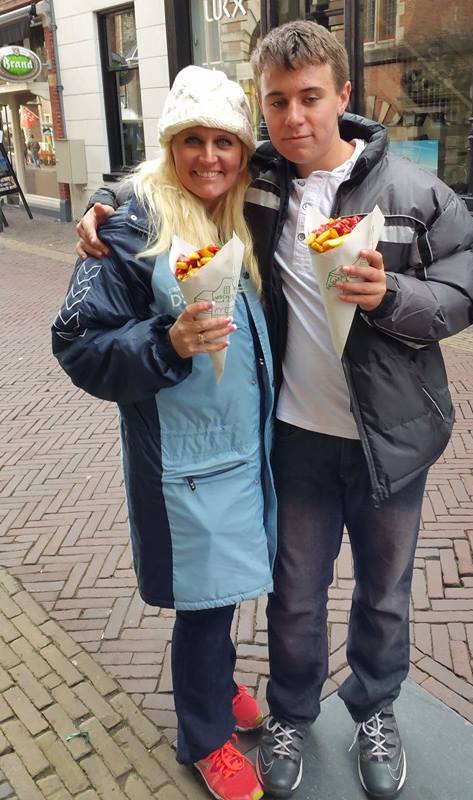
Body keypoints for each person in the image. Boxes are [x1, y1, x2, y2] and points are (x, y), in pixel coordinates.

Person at [76, 21, 473, 800]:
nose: (295, 117)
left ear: (344, 96)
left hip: (391, 439)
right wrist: (104, 199)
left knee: (384, 592)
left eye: (310, 98)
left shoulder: (416, 192)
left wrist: (392, 295)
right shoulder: (261, 181)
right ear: (263, 109)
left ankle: (374, 709)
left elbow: (461, 294)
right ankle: (292, 713)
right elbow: (177, 171)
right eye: (278, 102)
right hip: (293, 440)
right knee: (294, 595)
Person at [52, 65, 277, 800]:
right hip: (185, 464)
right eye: (192, 141)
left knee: (225, 593)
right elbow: (78, 344)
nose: (209, 157)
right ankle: (203, 737)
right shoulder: (128, 229)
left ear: (243, 152)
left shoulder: (237, 209)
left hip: (245, 452)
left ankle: (216, 682)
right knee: (204, 605)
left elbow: (322, 151)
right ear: (169, 145)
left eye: (224, 142)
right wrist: (166, 341)